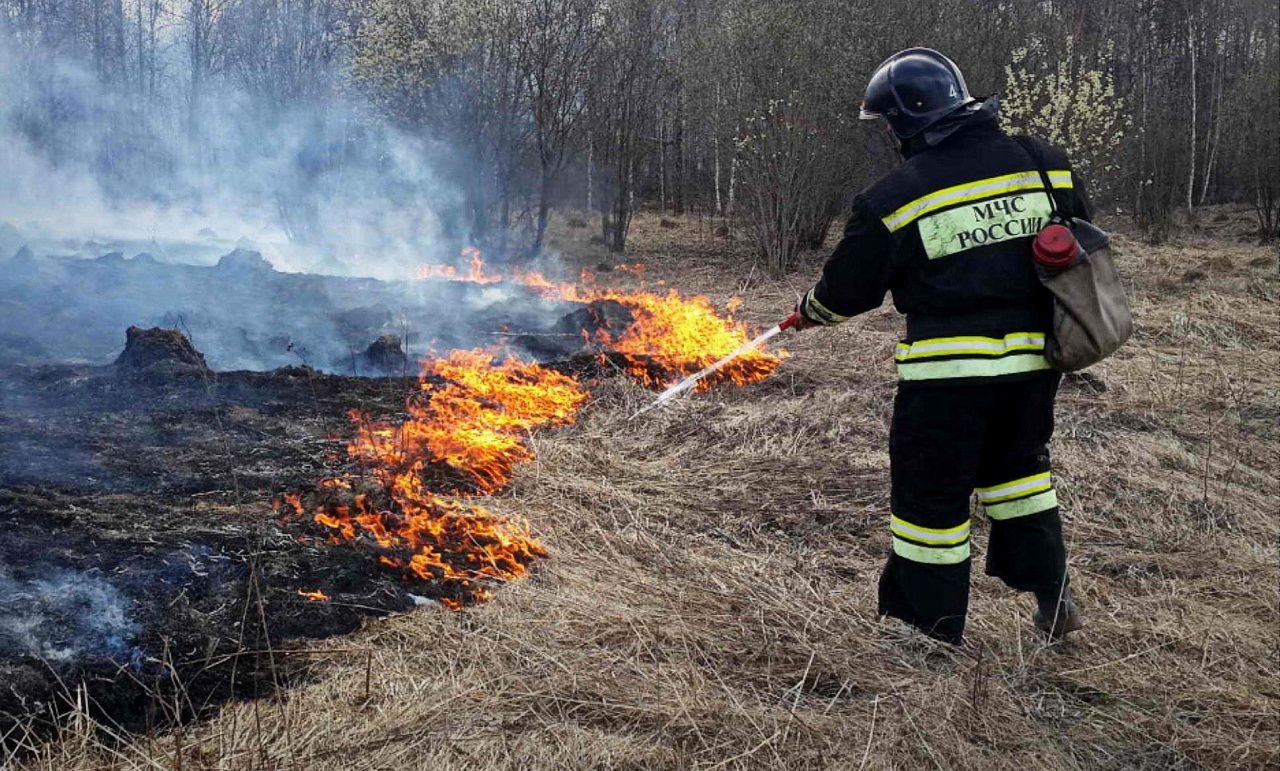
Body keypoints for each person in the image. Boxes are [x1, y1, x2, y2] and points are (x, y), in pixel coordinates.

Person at [789, 48, 1087, 644]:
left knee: (931, 505)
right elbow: (1077, 237)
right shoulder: (1044, 163)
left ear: (904, 121)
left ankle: (929, 632)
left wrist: (808, 314)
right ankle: (1052, 593)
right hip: (1036, 366)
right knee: (1020, 477)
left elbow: (849, 291)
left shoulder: (895, 196)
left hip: (946, 377)